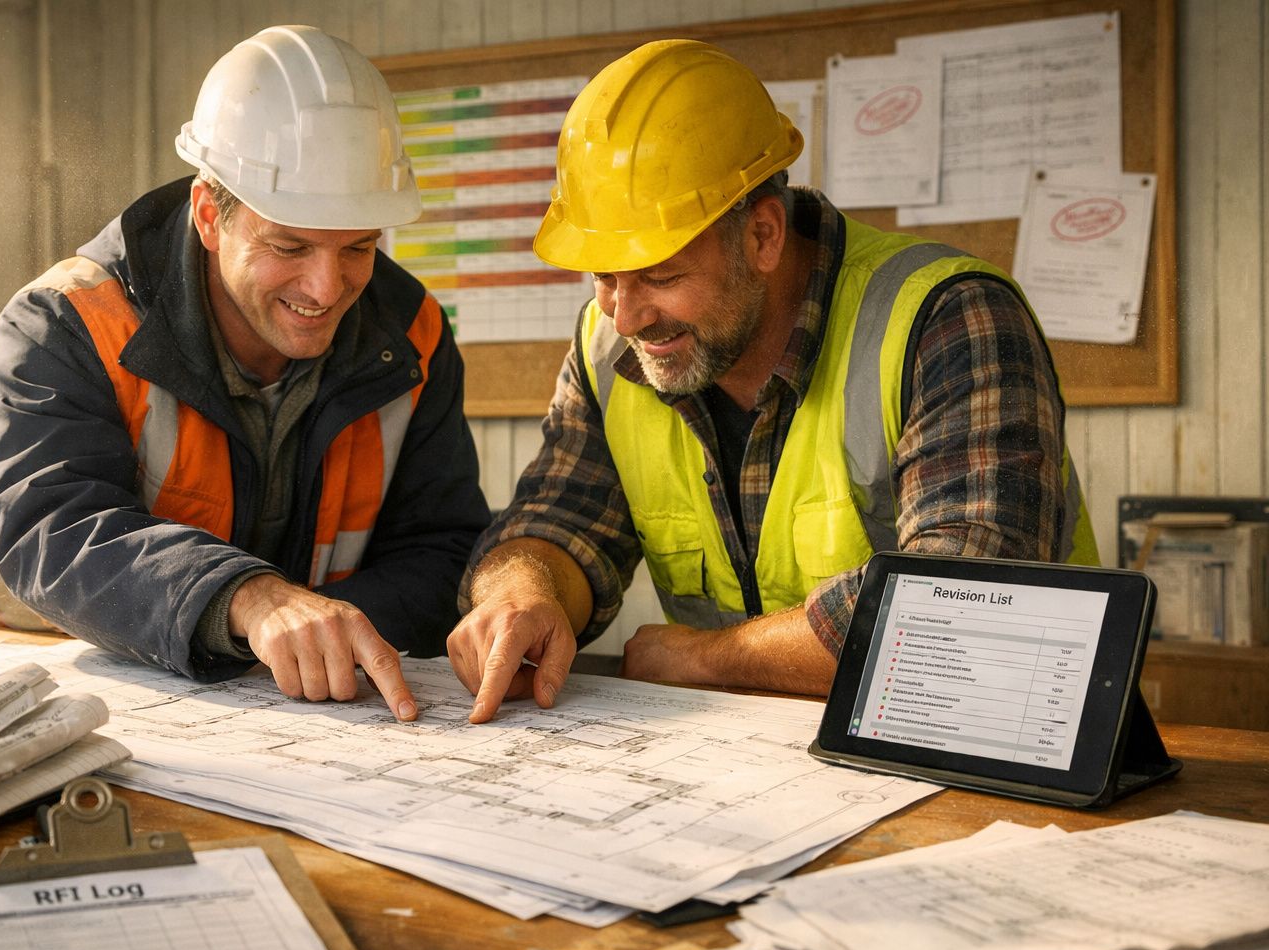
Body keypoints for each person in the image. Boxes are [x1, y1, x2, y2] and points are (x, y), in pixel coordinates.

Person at [448, 39, 1099, 724]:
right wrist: (523, 593)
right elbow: (559, 519)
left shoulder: (947, 317)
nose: (626, 313)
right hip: (754, 775)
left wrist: (707, 659)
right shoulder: (608, 341)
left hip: (1001, 753)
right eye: (604, 275)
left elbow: (962, 613)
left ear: (762, 235)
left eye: (663, 276)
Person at [0, 26, 490, 721]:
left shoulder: (414, 335)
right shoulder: (63, 321)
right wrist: (249, 600)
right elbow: (54, 526)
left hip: (255, 703)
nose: (326, 288)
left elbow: (443, 549)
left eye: (358, 247)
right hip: (22, 674)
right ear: (207, 214)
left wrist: (320, 630)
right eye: (289, 244)